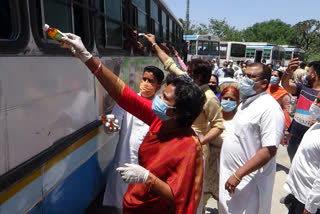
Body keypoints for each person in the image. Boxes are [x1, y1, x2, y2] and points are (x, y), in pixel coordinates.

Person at [61, 33, 205, 213]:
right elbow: (122, 93)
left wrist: (147, 178)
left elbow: (179, 197)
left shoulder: (188, 147)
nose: (158, 99)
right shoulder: (158, 119)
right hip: (134, 203)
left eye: (164, 97)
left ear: (176, 112)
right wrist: (87, 57)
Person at [143, 34, 224, 212]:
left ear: (199, 76)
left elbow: (218, 125)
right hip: (176, 140)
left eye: (190, 72)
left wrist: (201, 140)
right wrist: (154, 45)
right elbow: (169, 64)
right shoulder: (187, 84)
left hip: (195, 147)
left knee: (189, 190)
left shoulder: (209, 98)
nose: (185, 73)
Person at [219, 63, 285, 214]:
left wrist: (238, 174)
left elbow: (269, 150)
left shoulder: (270, 108)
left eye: (250, 76)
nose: (244, 79)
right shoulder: (246, 102)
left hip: (248, 184)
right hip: (232, 180)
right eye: (244, 75)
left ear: (263, 83)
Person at [102, 66, 164, 212]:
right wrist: (109, 124)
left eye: (151, 81)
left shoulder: (161, 108)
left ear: (159, 86)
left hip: (148, 167)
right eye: (144, 79)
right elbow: (113, 125)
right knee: (122, 204)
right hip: (126, 161)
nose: (145, 84)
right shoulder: (127, 101)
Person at [282, 92, 320, 214]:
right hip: (298, 195)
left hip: (308, 203)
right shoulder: (317, 125)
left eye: (318, 101)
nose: (314, 103)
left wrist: (310, 208)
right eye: (315, 99)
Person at [281, 59, 320, 161]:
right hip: (295, 137)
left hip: (312, 140)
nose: (305, 74)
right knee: (293, 159)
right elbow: (286, 85)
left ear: (313, 75)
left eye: (308, 71)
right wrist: (288, 72)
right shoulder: (302, 88)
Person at [207, 86, 240, 201]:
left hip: (228, 163)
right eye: (226, 98)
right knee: (203, 195)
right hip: (209, 160)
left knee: (225, 198)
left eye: (232, 99)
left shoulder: (240, 119)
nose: (228, 102)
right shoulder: (213, 115)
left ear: (238, 101)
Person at [266, 70, 291, 145]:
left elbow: (286, 109)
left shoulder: (283, 92)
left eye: (275, 76)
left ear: (280, 79)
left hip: (275, 119)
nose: (272, 77)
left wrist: (286, 127)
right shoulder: (265, 88)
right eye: (272, 75)